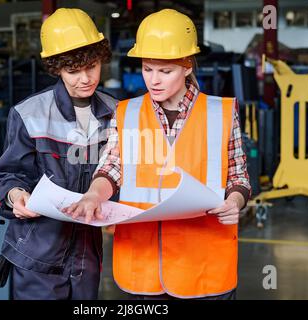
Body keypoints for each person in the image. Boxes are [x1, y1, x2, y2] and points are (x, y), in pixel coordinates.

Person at [63, 9, 251, 300]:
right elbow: (111, 169)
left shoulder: (222, 113)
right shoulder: (126, 113)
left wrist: (234, 202)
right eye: (148, 69)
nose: (154, 80)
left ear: (187, 66)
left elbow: (238, 177)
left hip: (203, 264)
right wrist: (93, 195)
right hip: (143, 265)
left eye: (166, 71)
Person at [0, 8, 117, 300]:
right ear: (56, 68)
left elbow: (121, 172)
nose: (85, 78)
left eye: (92, 66)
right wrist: (15, 196)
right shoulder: (29, 113)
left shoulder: (116, 113)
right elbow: (7, 175)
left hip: (87, 255)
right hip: (37, 252)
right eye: (73, 71)